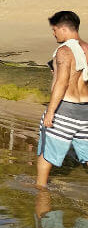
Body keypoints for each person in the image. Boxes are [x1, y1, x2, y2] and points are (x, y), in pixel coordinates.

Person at [37, 11, 88, 188]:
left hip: (65, 110)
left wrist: (50, 112)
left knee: (46, 155)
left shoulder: (64, 51)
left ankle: (40, 191)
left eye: (55, 29)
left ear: (64, 28)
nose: (54, 33)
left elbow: (62, 83)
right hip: (85, 111)